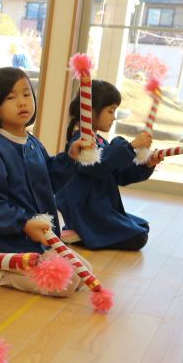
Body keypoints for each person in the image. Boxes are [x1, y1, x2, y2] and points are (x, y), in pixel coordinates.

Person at [0, 66, 88, 295]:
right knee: (66, 285)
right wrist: (23, 223)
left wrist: (70, 157)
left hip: (33, 242)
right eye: (11, 97)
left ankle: (35, 259)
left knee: (83, 273)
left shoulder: (32, 142)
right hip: (2, 248)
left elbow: (49, 179)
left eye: (26, 94)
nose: (22, 102)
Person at [55, 80, 159, 251]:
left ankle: (80, 233)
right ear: (90, 112)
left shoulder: (100, 141)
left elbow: (120, 174)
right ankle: (80, 231)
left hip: (101, 207)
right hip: (88, 211)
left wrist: (146, 165)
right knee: (138, 237)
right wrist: (131, 146)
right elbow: (99, 165)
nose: (114, 117)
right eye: (110, 111)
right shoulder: (80, 143)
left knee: (142, 226)